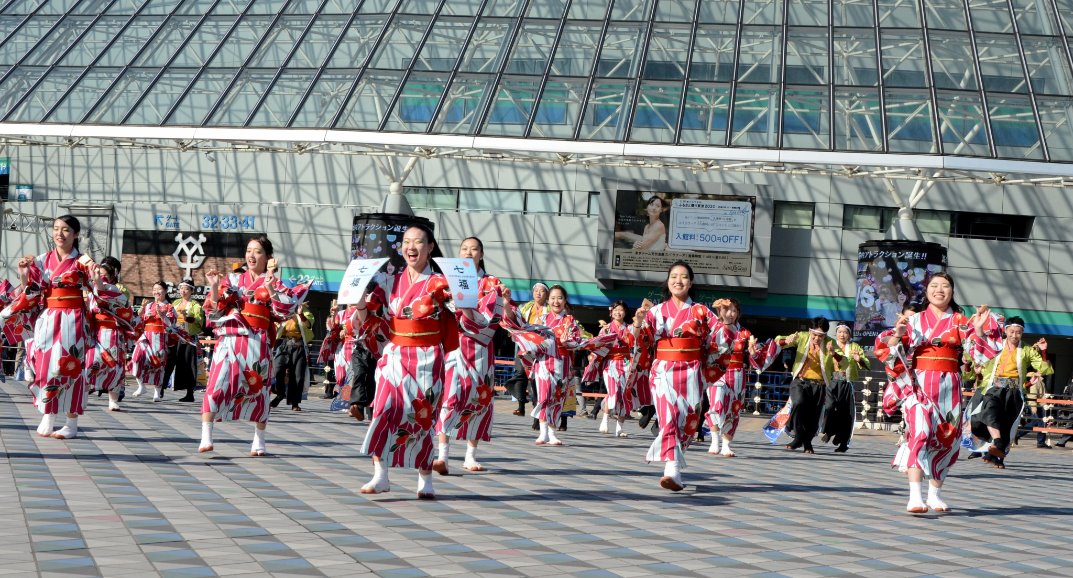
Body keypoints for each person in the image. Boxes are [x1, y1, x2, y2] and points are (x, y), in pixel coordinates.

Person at [351, 225, 465, 499]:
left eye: (418, 242)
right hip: (394, 355)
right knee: (383, 409)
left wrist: (460, 301)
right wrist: (360, 304)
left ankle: (425, 475)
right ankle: (381, 474)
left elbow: (462, 316)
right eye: (406, 241)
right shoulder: (389, 281)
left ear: (430, 247)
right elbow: (370, 321)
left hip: (427, 356)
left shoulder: (440, 283)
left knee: (421, 415)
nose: (411, 247)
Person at [875, 272, 1000, 514]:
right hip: (919, 385)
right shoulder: (914, 320)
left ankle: (934, 494)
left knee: (947, 439)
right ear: (927, 291)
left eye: (945, 286)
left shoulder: (961, 321)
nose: (939, 290)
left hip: (949, 386)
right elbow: (889, 352)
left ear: (952, 292)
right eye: (934, 285)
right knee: (920, 433)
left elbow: (980, 355)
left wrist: (979, 330)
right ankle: (914, 496)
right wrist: (898, 334)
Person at [1, 215, 124, 439]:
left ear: (75, 234)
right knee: (43, 365)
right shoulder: (42, 260)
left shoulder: (83, 261)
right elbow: (33, 290)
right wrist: (24, 275)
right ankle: (48, 413)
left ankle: (71, 422)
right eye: (56, 228)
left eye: (66, 229)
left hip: (72, 318)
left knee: (70, 367)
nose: (60, 233)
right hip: (48, 317)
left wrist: (97, 279)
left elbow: (99, 289)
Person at [199, 235, 310, 456]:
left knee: (259, 389)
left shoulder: (275, 282)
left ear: (268, 257)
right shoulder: (233, 279)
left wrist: (270, 288)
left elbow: (284, 311)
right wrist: (214, 287)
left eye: (258, 251)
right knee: (216, 383)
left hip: (258, 341)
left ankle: (259, 439)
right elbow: (215, 308)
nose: (251, 255)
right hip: (231, 338)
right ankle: (206, 436)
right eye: (249, 250)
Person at [632, 261, 727, 491]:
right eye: (673, 276)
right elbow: (641, 341)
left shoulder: (701, 311)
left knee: (687, 421)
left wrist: (722, 321)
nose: (678, 280)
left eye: (684, 276)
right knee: (669, 417)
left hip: (691, 371)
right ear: (667, 281)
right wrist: (638, 323)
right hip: (663, 370)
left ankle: (674, 467)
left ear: (691, 282)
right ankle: (672, 470)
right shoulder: (655, 311)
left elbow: (720, 340)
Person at [503, 285, 610, 447]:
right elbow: (525, 330)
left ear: (565, 300)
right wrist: (507, 306)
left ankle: (552, 433)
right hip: (544, 362)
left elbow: (577, 341)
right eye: (552, 298)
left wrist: (568, 342)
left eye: (560, 298)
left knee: (557, 398)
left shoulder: (570, 321)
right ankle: (543, 432)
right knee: (544, 396)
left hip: (563, 363)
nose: (556, 301)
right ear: (548, 300)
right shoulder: (542, 319)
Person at [433, 237, 505, 474]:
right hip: (454, 345)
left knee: (480, 399)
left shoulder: (492, 283)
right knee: (450, 396)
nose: (468, 252)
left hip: (481, 346)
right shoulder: (446, 281)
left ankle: (470, 455)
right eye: (464, 249)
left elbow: (493, 316)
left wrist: (467, 309)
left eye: (474, 249)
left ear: (481, 255)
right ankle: (442, 455)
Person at [968, 316, 1052, 466]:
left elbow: (1044, 369)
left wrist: (1044, 352)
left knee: (1007, 423)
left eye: (1018, 332)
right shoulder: (995, 345)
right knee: (988, 412)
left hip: (1014, 390)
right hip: (994, 387)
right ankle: (997, 442)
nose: (1014, 335)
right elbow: (979, 349)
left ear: (1022, 333)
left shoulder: (1027, 350)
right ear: (1006, 330)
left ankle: (997, 456)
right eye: (1011, 331)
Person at [756, 317, 842, 454]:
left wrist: (834, 354)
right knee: (798, 402)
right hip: (800, 381)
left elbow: (844, 363)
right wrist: (787, 340)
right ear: (810, 331)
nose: (817, 338)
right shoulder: (802, 336)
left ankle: (807, 442)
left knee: (814, 416)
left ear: (825, 335)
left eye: (820, 336)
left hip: (819, 385)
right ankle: (797, 436)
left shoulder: (831, 343)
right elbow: (777, 341)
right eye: (814, 335)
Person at [705, 297, 759, 457]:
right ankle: (714, 440)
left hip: (737, 374)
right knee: (716, 404)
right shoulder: (713, 328)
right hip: (716, 372)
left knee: (733, 409)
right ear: (720, 311)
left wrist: (753, 353)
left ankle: (726, 444)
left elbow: (753, 358)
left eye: (734, 310)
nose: (730, 313)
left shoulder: (744, 333)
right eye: (727, 309)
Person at [84, 257, 138, 411]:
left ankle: (113, 400)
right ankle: (83, 397)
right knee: (90, 364)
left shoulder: (115, 291)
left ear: (112, 276)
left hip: (114, 333)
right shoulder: (91, 293)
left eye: (103, 275)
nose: (100, 277)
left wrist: (98, 283)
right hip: (96, 333)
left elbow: (107, 297)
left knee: (116, 366)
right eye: (98, 274)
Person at [819, 323, 870, 453]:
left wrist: (859, 359)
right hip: (832, 381)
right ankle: (829, 430)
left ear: (849, 334)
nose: (842, 335)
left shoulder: (854, 347)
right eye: (840, 332)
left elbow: (866, 363)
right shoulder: (830, 344)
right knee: (829, 407)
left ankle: (843, 443)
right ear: (836, 333)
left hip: (847, 383)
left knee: (846, 413)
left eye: (845, 332)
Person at [130, 281, 179, 402]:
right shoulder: (149, 305)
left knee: (158, 364)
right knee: (136, 359)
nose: (156, 292)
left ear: (165, 291)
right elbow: (140, 321)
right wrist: (140, 311)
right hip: (146, 336)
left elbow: (171, 325)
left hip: (159, 337)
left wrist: (162, 316)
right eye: (154, 289)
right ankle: (141, 385)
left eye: (159, 289)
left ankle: (157, 391)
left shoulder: (170, 307)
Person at [506, 282, 548, 417]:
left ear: (546, 294)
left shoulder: (550, 309)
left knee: (537, 378)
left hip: (541, 346)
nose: (538, 293)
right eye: (536, 291)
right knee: (520, 373)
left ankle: (537, 412)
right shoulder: (524, 307)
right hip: (524, 344)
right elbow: (515, 321)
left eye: (542, 291)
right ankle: (521, 405)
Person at [595, 301, 635, 438]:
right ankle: (605, 419)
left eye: (621, 310)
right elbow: (598, 345)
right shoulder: (606, 328)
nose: (618, 312)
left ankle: (619, 427)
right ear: (611, 312)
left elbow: (635, 345)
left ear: (625, 312)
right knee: (613, 391)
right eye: (616, 310)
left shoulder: (630, 328)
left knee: (623, 394)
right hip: (610, 363)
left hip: (625, 363)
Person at [165, 280, 205, 402]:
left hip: (188, 338)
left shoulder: (195, 305)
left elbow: (199, 320)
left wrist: (187, 317)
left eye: (186, 288)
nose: (183, 291)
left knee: (189, 364)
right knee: (170, 361)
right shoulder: (176, 302)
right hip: (174, 337)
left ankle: (190, 393)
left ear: (192, 291)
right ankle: (161, 387)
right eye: (181, 288)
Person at [271, 302, 315, 411]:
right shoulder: (284, 310)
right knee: (277, 369)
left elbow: (308, 325)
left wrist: (300, 314)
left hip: (299, 345)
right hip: (285, 344)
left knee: (297, 375)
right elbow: (277, 324)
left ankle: (295, 403)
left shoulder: (304, 310)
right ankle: (280, 393)